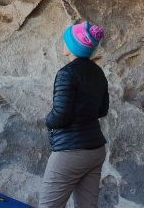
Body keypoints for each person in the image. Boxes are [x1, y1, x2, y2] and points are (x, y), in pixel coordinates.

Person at [40, 21, 109, 208]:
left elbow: (60, 116)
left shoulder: (66, 73)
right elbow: (102, 110)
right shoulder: (98, 72)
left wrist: (46, 120)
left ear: (71, 47)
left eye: (66, 40)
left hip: (71, 151)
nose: (63, 43)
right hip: (95, 149)